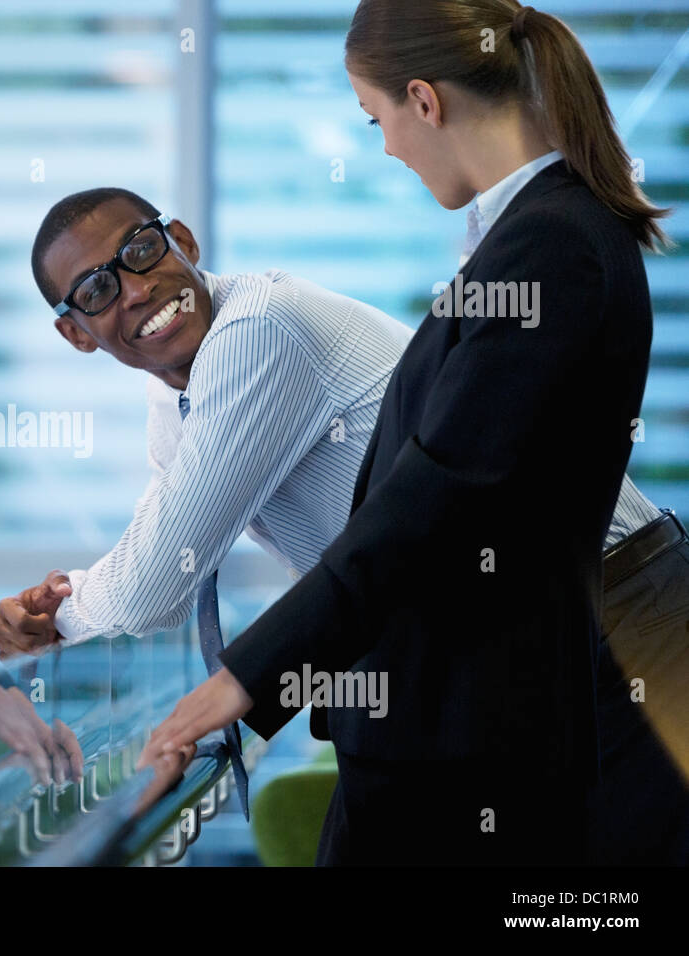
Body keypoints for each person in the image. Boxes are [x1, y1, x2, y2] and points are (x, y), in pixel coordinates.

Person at [139, 0, 682, 865]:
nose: (386, 147)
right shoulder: (527, 236)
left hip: (578, 686)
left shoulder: (551, 247)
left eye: (377, 118)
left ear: (424, 100)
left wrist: (247, 677)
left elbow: (440, 497)